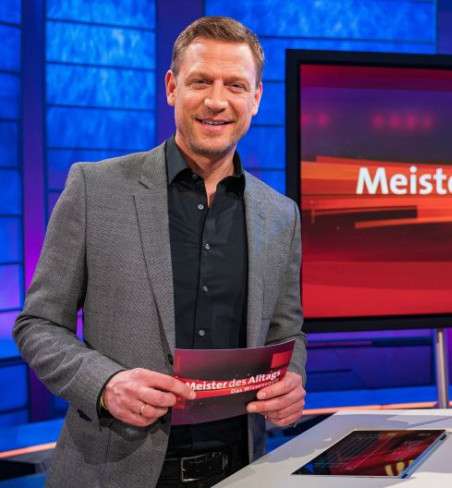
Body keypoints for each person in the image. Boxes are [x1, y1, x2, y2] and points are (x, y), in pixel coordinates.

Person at [13, 16, 306, 488]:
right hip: (112, 471)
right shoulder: (94, 189)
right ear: (172, 87)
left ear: (255, 98)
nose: (216, 100)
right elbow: (38, 325)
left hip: (242, 469)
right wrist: (105, 384)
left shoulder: (280, 214)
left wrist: (291, 379)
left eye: (235, 85)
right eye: (200, 81)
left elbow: (287, 332)